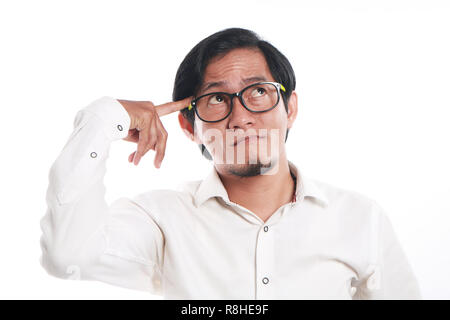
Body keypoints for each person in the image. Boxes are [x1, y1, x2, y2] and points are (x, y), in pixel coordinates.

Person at [40, 28, 421, 299]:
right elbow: (66, 256)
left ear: (290, 108)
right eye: (217, 99)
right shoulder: (160, 218)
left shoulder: (359, 218)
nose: (241, 117)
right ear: (189, 126)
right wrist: (105, 118)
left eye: (258, 92)